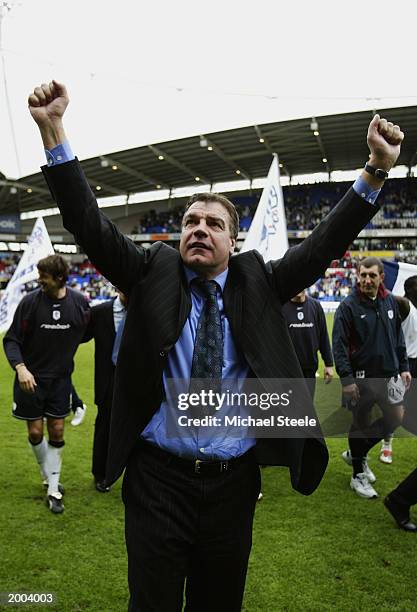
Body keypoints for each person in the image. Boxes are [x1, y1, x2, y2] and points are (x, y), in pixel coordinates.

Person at [29, 79, 404, 611]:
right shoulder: (152, 269)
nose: (198, 230)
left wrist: (375, 169)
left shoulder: (258, 278)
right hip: (157, 478)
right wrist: (53, 130)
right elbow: (88, 224)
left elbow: (323, 245)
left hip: (233, 486)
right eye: (190, 222)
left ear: (234, 240)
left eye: (213, 223)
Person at [3, 254, 90, 513]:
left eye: (44, 276)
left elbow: (84, 333)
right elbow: (11, 340)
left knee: (57, 431)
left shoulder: (79, 304)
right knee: (35, 433)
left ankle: (54, 488)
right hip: (30, 379)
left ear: (59, 278)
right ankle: (47, 472)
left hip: (60, 382)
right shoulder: (30, 303)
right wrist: (21, 368)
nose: (39, 280)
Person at [332, 257, 411, 499]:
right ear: (357, 275)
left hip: (390, 376)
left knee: (396, 417)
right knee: (360, 424)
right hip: (361, 379)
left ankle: (357, 453)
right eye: (363, 275)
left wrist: (404, 366)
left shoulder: (389, 301)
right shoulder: (348, 306)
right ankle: (358, 475)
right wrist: (347, 380)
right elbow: (339, 346)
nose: (367, 280)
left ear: (381, 277)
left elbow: (398, 338)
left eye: (372, 276)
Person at [82, 289, 127, 492]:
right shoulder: (99, 312)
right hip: (106, 381)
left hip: (134, 382)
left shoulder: (143, 309)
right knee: (104, 428)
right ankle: (101, 474)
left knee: (137, 430)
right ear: (116, 288)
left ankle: (136, 475)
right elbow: (79, 335)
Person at [384, 275, 417, 530]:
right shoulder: (405, 306)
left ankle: (358, 452)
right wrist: (375, 282)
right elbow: (394, 300)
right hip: (407, 372)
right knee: (391, 419)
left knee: (391, 419)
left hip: (408, 370)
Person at [282, 289, 333, 398]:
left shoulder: (316, 306)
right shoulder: (282, 307)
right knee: (289, 409)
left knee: (307, 407)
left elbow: (323, 337)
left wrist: (328, 364)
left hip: (310, 370)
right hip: (288, 371)